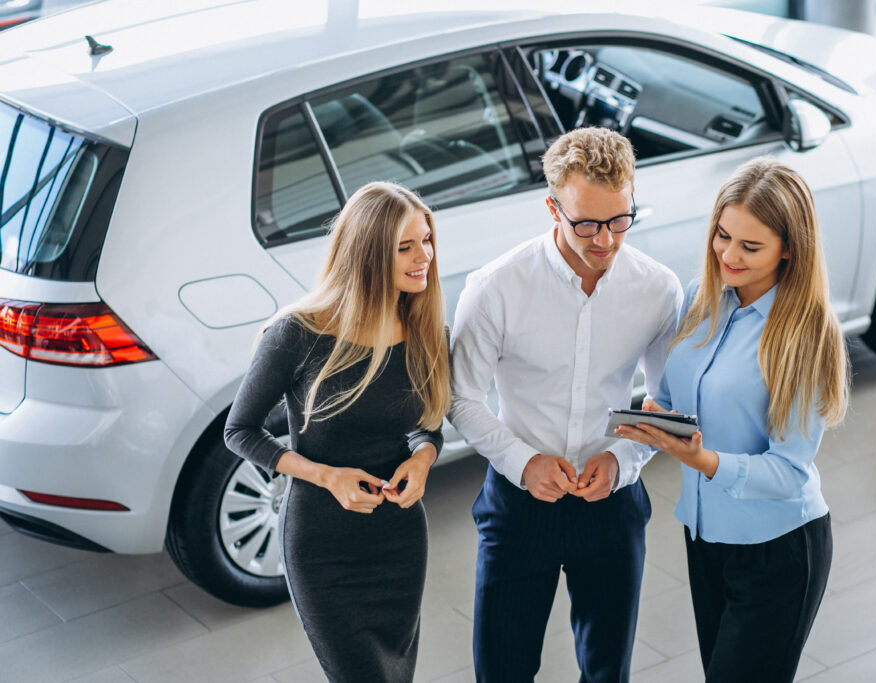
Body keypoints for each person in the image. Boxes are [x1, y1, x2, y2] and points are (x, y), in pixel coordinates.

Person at [449, 126, 684, 682]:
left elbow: (664, 397)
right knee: (502, 671)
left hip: (613, 505)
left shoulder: (658, 289)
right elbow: (461, 398)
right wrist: (523, 462)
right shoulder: (495, 288)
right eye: (585, 223)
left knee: (608, 673)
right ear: (551, 207)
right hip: (517, 508)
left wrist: (625, 460)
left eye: (620, 220)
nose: (604, 239)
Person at [614, 157, 849, 683]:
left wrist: (703, 459)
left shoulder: (804, 336)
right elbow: (672, 397)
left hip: (778, 551)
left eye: (750, 246)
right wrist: (651, 425)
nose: (728, 254)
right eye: (723, 235)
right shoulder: (702, 299)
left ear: (790, 247)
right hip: (705, 540)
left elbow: (789, 471)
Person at [223, 181, 451, 683]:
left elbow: (427, 423)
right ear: (369, 254)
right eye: (406, 246)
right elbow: (240, 431)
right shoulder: (297, 334)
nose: (425, 257)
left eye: (427, 240)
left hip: (399, 536)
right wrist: (326, 476)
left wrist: (422, 459)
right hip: (323, 543)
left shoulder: (426, 331)